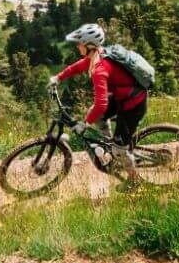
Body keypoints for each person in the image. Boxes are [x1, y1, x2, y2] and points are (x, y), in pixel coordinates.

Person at [50, 23, 146, 181]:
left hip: (133, 102)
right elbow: (78, 66)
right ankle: (108, 145)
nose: (78, 46)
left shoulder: (99, 70)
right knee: (95, 113)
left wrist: (86, 124)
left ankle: (134, 180)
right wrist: (58, 77)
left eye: (80, 43)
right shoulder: (96, 56)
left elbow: (101, 104)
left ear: (90, 45)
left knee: (119, 149)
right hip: (124, 96)